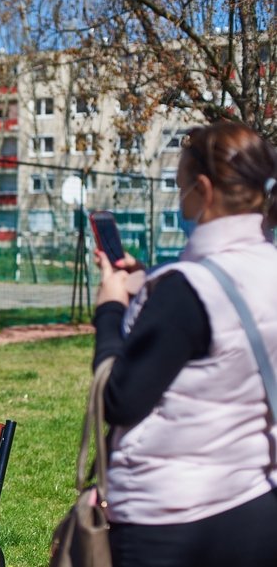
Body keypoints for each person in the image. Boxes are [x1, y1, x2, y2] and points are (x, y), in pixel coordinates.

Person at [93, 121, 277, 567]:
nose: (180, 200)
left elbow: (119, 399)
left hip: (171, 517)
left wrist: (111, 309)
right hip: (254, 502)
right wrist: (149, 283)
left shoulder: (184, 290)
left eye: (179, 188)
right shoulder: (265, 267)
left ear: (204, 189)